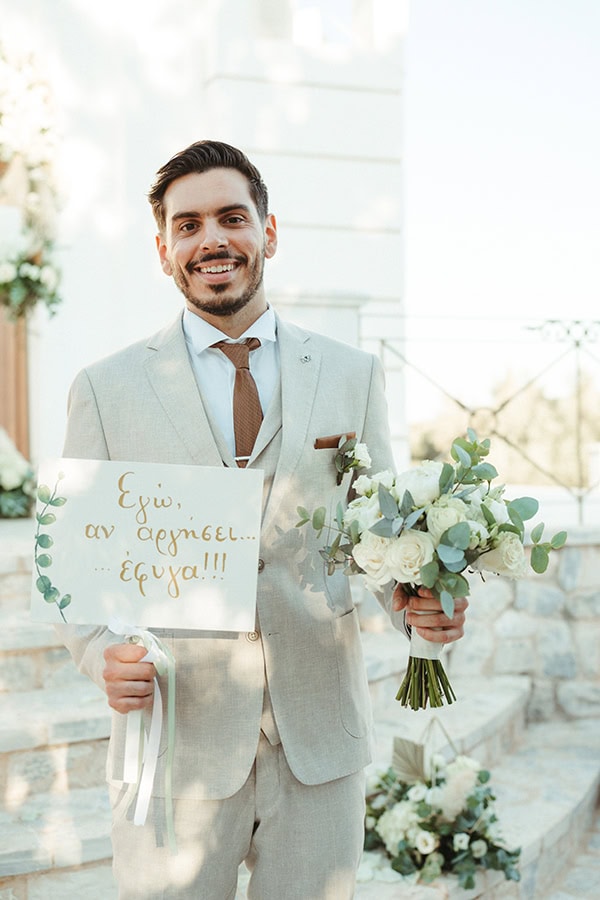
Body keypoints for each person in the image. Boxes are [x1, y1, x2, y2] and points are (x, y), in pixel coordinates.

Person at [56, 140, 467, 899]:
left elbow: (378, 534)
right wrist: (98, 656)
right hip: (177, 743)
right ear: (164, 249)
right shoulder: (104, 389)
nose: (210, 239)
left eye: (231, 217)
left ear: (268, 234)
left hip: (318, 742)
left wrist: (418, 606)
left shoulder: (352, 374)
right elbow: (77, 575)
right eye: (187, 225)